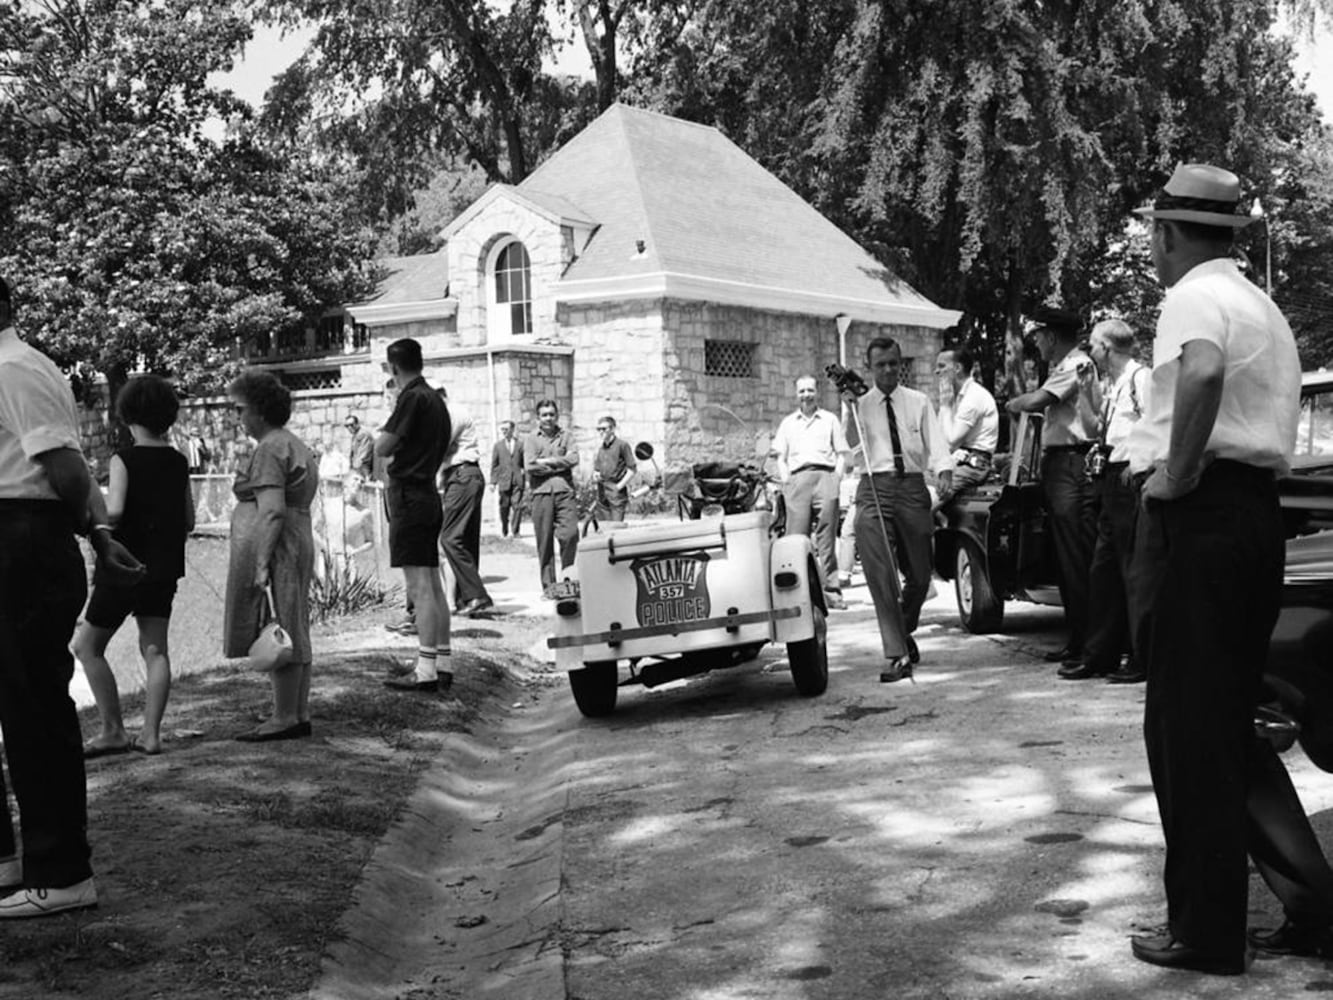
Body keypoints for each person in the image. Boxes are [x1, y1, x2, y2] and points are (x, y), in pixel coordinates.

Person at [1123, 162, 1302, 975]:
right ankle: (1298, 902)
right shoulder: (1257, 301)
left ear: (1166, 233)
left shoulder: (1191, 296)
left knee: (1185, 734)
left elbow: (1196, 372)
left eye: (1151, 236)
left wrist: (1175, 474)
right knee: (1222, 728)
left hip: (1205, 516)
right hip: (1255, 517)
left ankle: (1204, 932)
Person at [0, 276, 143, 917]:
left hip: (21, 539)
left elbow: (61, 469)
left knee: (32, 705)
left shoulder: (15, 368)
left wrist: (96, 531)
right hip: (15, 536)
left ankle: (62, 872)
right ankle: (11, 857)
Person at [74, 375, 193, 757]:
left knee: (87, 646)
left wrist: (92, 514)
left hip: (124, 566)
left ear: (126, 415)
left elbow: (118, 510)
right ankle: (152, 735)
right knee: (156, 649)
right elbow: (189, 520)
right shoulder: (178, 461)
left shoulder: (123, 459)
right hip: (164, 568)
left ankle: (113, 730)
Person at [841, 338, 952, 682]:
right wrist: (849, 408)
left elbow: (936, 441)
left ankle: (903, 629)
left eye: (893, 363)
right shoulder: (860, 404)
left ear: (900, 364)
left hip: (912, 487)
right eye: (880, 365)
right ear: (870, 368)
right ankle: (897, 655)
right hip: (874, 487)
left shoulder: (918, 401)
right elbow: (850, 443)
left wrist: (945, 470)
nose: (888, 369)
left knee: (919, 576)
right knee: (881, 570)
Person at [223, 371, 319, 740]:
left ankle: (284, 716)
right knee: (295, 625)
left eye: (241, 409)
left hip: (283, 543)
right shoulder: (290, 442)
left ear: (260, 411)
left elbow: (272, 511)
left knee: (283, 628)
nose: (239, 417)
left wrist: (261, 562)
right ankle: (297, 711)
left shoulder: (269, 448)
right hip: (298, 537)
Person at [1004, 306, 1101, 666]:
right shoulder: (1069, 366)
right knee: (1067, 556)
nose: (1037, 345)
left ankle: (1088, 644)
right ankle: (1079, 640)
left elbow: (1036, 401)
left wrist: (1013, 402)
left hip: (1071, 463)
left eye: (1039, 337)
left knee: (1076, 556)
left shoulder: (1075, 364)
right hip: (1062, 463)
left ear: (1051, 336)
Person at [1057, 319, 1150, 682]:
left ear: (1108, 348)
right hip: (1111, 477)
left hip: (1132, 475)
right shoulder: (1112, 385)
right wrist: (1085, 392)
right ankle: (1101, 655)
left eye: (1093, 346)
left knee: (1133, 570)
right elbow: (1099, 427)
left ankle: (1141, 655)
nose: (1090, 352)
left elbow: (1159, 423)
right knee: (1104, 570)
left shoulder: (1142, 379)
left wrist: (1144, 466)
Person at [376, 339, 453, 693]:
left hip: (409, 493)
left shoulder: (411, 397)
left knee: (419, 586)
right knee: (433, 583)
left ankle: (425, 669)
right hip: (429, 492)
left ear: (394, 368)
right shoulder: (436, 399)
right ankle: (442, 659)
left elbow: (383, 446)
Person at [771, 376, 851, 609]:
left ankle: (832, 592)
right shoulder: (788, 423)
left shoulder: (829, 419)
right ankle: (799, 593)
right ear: (796, 394)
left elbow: (842, 452)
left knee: (827, 538)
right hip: (798, 480)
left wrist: (836, 477)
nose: (806, 395)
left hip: (825, 477)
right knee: (796, 539)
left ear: (818, 393)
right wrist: (787, 482)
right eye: (802, 391)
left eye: (810, 390)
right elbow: (780, 457)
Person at [437, 389, 494, 617]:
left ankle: (477, 594)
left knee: (449, 538)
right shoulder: (449, 414)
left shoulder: (451, 413)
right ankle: (468, 598)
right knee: (465, 539)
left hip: (462, 476)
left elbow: (437, 447)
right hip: (464, 476)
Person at [524, 399, 579, 598]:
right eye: (544, 415)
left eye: (551, 414)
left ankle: (568, 582)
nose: (548, 418)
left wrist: (545, 462)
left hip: (565, 493)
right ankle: (549, 587)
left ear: (557, 416)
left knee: (570, 535)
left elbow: (574, 459)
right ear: (538, 418)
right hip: (541, 494)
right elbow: (530, 466)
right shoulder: (531, 439)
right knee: (544, 541)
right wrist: (560, 464)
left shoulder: (567, 436)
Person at [934, 347, 999, 510]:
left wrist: (945, 407)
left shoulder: (973, 397)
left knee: (924, 504)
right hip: (954, 459)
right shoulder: (954, 396)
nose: (936, 372)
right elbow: (937, 436)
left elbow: (951, 442)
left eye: (942, 366)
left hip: (972, 465)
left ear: (957, 368)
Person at [591, 415, 637, 524]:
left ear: (612, 429)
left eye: (604, 429)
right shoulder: (601, 448)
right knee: (604, 528)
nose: (601, 432)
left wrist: (619, 486)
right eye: (599, 429)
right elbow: (597, 469)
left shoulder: (622, 445)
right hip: (602, 492)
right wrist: (595, 475)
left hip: (616, 491)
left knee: (616, 528)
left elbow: (632, 469)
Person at [490, 419, 525, 537]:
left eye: (506, 429)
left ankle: (515, 531)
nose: (504, 431)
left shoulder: (520, 444)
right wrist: (493, 482)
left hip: (517, 480)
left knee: (517, 506)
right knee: (504, 507)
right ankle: (505, 529)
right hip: (504, 480)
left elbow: (525, 463)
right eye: (502, 429)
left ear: (512, 430)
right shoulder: (498, 446)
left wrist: (526, 475)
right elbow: (494, 465)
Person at [345, 415, 375, 480]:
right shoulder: (355, 435)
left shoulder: (363, 434)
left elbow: (363, 455)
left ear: (357, 423)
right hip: (358, 468)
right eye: (347, 426)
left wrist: (354, 470)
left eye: (351, 425)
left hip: (363, 468)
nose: (349, 427)